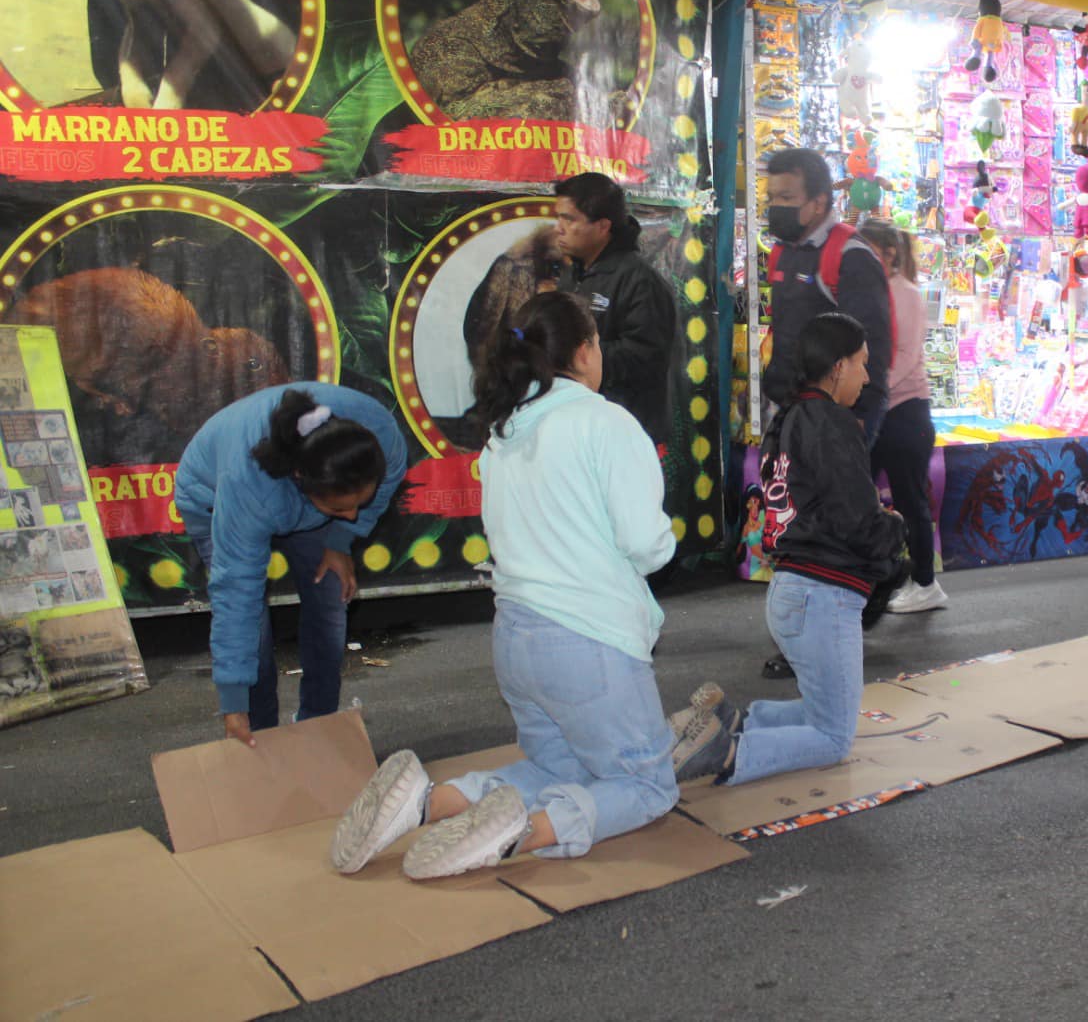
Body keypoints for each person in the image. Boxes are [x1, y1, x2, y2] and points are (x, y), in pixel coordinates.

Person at [329, 292, 679, 879]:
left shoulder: (503, 432)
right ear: (587, 350)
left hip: (517, 638)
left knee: (556, 768)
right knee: (646, 784)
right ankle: (523, 833)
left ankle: (429, 803)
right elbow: (646, 543)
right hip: (589, 643)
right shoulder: (605, 421)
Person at [674, 313, 904, 784]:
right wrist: (895, 530)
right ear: (838, 367)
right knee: (833, 736)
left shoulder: (788, 418)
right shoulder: (832, 424)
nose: (867, 375)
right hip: (823, 595)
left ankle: (731, 723)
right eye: (862, 363)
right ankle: (725, 751)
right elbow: (858, 522)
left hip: (794, 590)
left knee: (821, 709)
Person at [175, 384, 409, 746]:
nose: (352, 515)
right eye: (339, 510)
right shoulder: (248, 489)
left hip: (300, 494)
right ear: (302, 481)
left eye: (359, 503)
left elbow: (384, 483)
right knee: (253, 628)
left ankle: (318, 729)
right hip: (213, 492)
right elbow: (236, 595)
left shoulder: (379, 437)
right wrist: (234, 701)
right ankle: (261, 740)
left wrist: (340, 539)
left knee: (330, 593)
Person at [762, 147, 894, 445]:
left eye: (786, 198)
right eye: (771, 197)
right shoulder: (783, 253)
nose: (775, 206)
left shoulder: (851, 256)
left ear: (818, 202)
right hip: (789, 409)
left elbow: (873, 345)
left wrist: (858, 421)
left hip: (833, 419)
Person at [858, 218, 946, 614]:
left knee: (911, 500)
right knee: (860, 496)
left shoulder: (907, 293)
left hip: (904, 411)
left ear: (888, 252)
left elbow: (908, 356)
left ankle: (925, 582)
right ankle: (872, 577)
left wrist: (872, 390)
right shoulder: (872, 289)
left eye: (868, 248)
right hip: (877, 407)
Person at [554, 172, 677, 447]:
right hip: (582, 428)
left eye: (569, 219)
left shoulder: (640, 281)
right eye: (558, 217)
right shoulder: (571, 275)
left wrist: (572, 356)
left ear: (603, 226)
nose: (558, 228)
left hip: (629, 434)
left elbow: (647, 356)